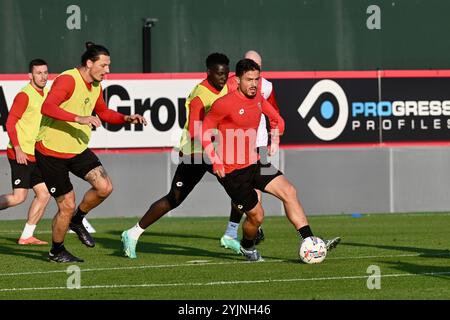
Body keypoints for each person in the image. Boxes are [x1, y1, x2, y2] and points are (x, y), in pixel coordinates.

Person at [202, 58, 340, 261]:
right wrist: (215, 160)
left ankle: (310, 241)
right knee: (257, 216)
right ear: (238, 79)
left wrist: (275, 135)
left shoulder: (257, 98)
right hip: (232, 172)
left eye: (257, 79)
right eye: (249, 79)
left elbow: (277, 119)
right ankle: (247, 246)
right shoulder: (224, 104)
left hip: (255, 162)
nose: (254, 84)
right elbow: (204, 131)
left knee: (289, 191)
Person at [35, 42, 147, 263]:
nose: (108, 70)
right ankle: (56, 251)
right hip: (51, 152)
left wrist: (125, 118)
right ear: (89, 63)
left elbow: (103, 111)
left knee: (105, 188)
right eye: (104, 65)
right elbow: (47, 107)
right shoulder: (68, 80)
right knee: (66, 204)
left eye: (109, 66)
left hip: (77, 149)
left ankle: (78, 220)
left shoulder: (96, 85)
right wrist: (79, 118)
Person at [121, 53, 230, 259]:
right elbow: (194, 132)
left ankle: (236, 235)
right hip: (195, 153)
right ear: (208, 72)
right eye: (219, 74)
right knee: (175, 198)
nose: (223, 77)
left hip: (214, 152)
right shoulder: (200, 95)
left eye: (226, 73)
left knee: (238, 187)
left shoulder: (227, 87)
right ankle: (132, 233)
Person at [219, 50, 280, 253]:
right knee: (243, 190)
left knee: (257, 189)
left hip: (259, 143)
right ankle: (236, 229)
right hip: (236, 146)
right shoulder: (231, 83)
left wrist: (274, 138)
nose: (253, 77)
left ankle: (245, 228)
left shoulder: (267, 86)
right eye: (250, 65)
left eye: (257, 66)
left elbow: (274, 113)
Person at [0, 59, 51, 245]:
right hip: (19, 153)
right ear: (30, 75)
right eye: (39, 73)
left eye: (46, 72)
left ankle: (26, 236)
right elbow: (10, 123)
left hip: (35, 155)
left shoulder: (45, 94)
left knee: (44, 194)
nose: (43, 76)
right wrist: (19, 148)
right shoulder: (25, 95)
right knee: (18, 197)